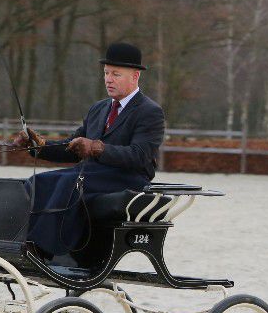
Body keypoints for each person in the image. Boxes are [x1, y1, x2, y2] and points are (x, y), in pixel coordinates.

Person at [10, 42, 165, 259]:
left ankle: (42, 248)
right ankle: (22, 239)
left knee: (68, 182)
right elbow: (72, 147)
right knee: (38, 182)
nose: (108, 79)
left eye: (116, 74)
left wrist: (96, 148)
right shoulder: (99, 108)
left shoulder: (150, 112)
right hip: (91, 174)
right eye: (106, 73)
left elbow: (139, 156)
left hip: (127, 178)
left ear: (135, 76)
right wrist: (39, 145)